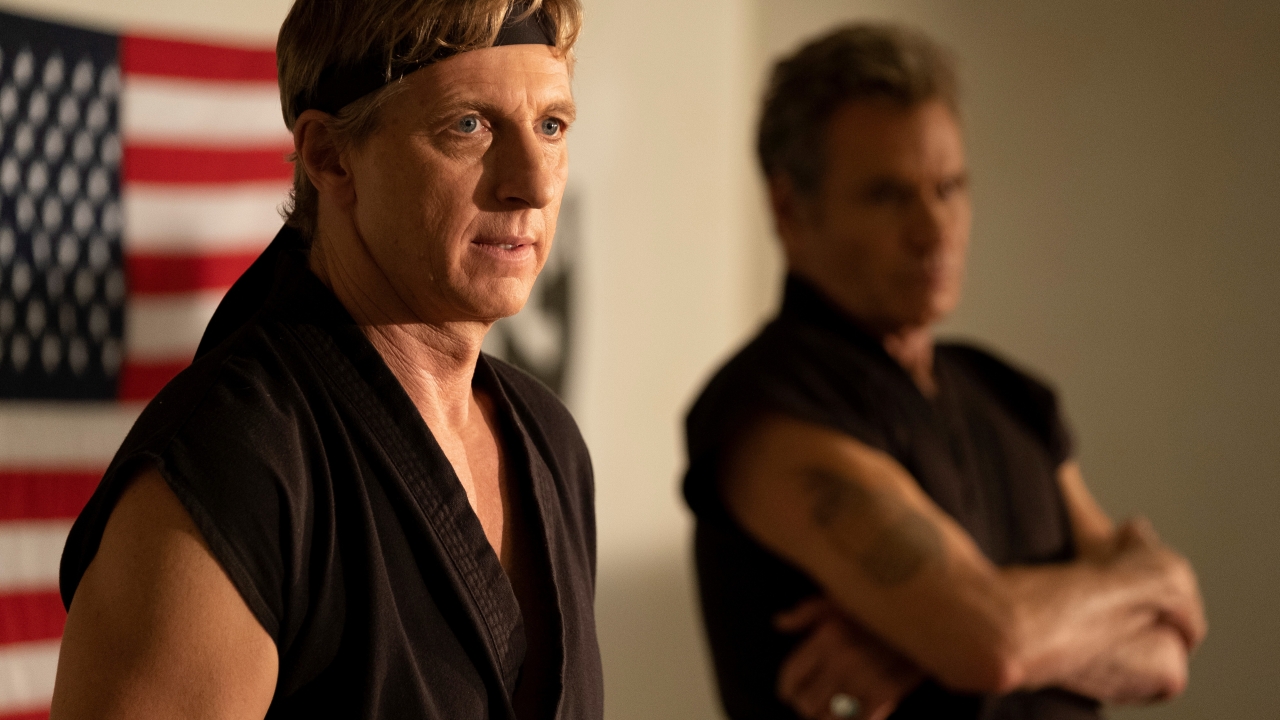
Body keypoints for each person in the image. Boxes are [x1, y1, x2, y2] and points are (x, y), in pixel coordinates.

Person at [53, 1, 601, 718]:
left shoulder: (550, 442)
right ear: (330, 157)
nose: (534, 182)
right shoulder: (235, 467)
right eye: (469, 125)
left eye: (551, 125)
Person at [683, 23, 1205, 720]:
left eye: (949, 187)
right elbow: (993, 642)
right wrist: (1148, 578)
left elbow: (1166, 653)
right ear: (789, 210)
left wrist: (920, 641)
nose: (934, 229)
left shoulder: (1008, 393)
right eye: (888, 196)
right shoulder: (767, 408)